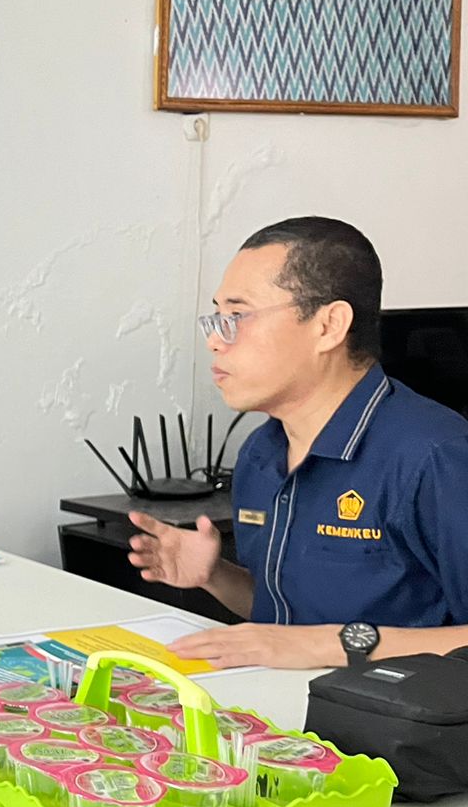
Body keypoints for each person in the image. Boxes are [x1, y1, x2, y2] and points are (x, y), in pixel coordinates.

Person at [128, 217, 468, 670]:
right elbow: (287, 625)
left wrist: (327, 646)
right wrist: (216, 577)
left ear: (329, 326)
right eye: (216, 317)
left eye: (237, 316)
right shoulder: (260, 453)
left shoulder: (434, 456)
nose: (214, 340)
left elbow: (309, 642)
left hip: (392, 713)